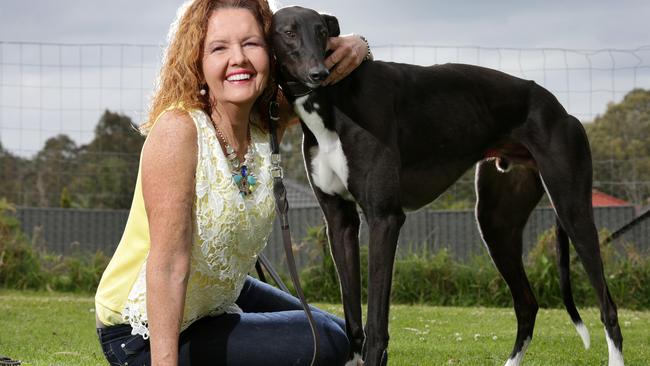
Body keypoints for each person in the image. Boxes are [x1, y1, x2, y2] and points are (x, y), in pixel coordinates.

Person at [94, 0, 371, 365]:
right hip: (140, 330)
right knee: (327, 344)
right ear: (198, 60)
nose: (238, 58)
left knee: (341, 335)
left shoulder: (266, 121)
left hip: (219, 297)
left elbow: (321, 66)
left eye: (251, 44)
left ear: (271, 54)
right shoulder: (179, 131)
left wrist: (360, 45)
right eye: (219, 47)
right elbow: (168, 266)